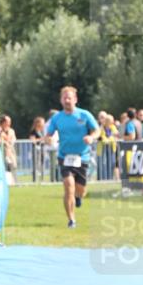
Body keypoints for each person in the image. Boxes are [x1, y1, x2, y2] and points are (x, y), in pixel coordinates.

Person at [46, 85, 100, 228]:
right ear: (61, 100)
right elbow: (48, 135)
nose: (67, 100)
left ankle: (78, 197)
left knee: (80, 190)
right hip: (65, 156)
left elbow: (97, 131)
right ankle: (71, 220)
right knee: (68, 186)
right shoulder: (57, 118)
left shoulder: (84, 115)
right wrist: (48, 139)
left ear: (75, 99)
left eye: (69, 98)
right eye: (64, 98)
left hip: (82, 157)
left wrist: (91, 137)